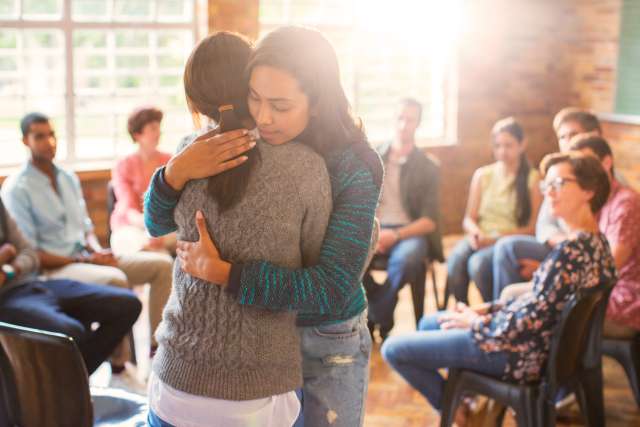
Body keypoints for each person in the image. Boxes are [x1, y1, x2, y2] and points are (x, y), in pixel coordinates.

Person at [144, 28, 382, 427]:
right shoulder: (231, 145)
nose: (263, 116)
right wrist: (176, 171)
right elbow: (157, 219)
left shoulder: (352, 164)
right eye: (254, 97)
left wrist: (227, 273)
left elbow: (332, 286)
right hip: (264, 343)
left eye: (281, 105)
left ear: (318, 101)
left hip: (325, 336)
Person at [381, 152, 615, 426]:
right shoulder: (596, 244)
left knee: (393, 348)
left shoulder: (569, 252)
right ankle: (466, 401)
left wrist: (476, 321)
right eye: (546, 185)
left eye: (559, 183)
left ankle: (460, 411)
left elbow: (528, 322)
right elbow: (542, 303)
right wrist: (489, 308)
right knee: (430, 321)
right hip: (533, 345)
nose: (549, 192)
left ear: (589, 190)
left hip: (517, 353)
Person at [1, 112, 173, 368]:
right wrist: (84, 258)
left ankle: (157, 349)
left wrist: (97, 250)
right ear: (25, 141)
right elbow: (33, 253)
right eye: (40, 136)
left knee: (161, 267)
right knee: (115, 280)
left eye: (52, 135)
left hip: (86, 256)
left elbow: (85, 227)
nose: (49, 142)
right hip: (57, 266)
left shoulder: (67, 178)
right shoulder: (17, 188)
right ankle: (118, 362)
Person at [0, 196, 141, 376]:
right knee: (73, 332)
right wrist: (7, 253)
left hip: (34, 283)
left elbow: (28, 253)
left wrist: (9, 268)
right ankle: (72, 384)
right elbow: (15, 250)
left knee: (128, 304)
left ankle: (73, 381)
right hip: (6, 299)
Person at [491, 109, 602, 297]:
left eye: (573, 135)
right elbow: (543, 225)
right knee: (497, 253)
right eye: (562, 137)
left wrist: (549, 265)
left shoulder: (599, 183)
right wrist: (563, 247)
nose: (568, 143)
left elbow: (593, 255)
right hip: (561, 247)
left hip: (575, 258)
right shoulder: (560, 173)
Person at [362, 98, 443, 340]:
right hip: (373, 227)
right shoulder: (373, 157)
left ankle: (376, 314)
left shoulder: (428, 167)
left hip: (409, 232)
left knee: (407, 260)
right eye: (399, 118)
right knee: (349, 253)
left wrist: (395, 235)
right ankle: (384, 313)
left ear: (418, 124)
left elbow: (430, 221)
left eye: (410, 120)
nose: (403, 125)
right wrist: (375, 231)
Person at [446, 117, 541, 303]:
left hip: (506, 241)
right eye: (497, 145)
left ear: (522, 145)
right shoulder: (483, 175)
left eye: (508, 145)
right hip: (481, 236)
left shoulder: (533, 179)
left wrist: (494, 239)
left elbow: (533, 228)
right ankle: (462, 309)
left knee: (478, 264)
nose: (502, 151)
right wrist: (476, 233)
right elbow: (468, 218)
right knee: (456, 261)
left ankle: (495, 310)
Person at [567, 136, 640, 338]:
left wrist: (561, 274)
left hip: (625, 296)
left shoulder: (626, 203)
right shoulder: (598, 197)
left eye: (587, 165)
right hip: (601, 289)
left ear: (606, 163)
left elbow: (610, 266)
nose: (581, 173)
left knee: (550, 309)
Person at [110, 106, 174, 256]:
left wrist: (159, 231)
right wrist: (150, 229)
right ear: (137, 134)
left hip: (164, 226)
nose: (158, 133)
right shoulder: (123, 165)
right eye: (153, 128)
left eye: (159, 128)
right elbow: (128, 207)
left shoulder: (170, 161)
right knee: (143, 248)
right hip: (131, 225)